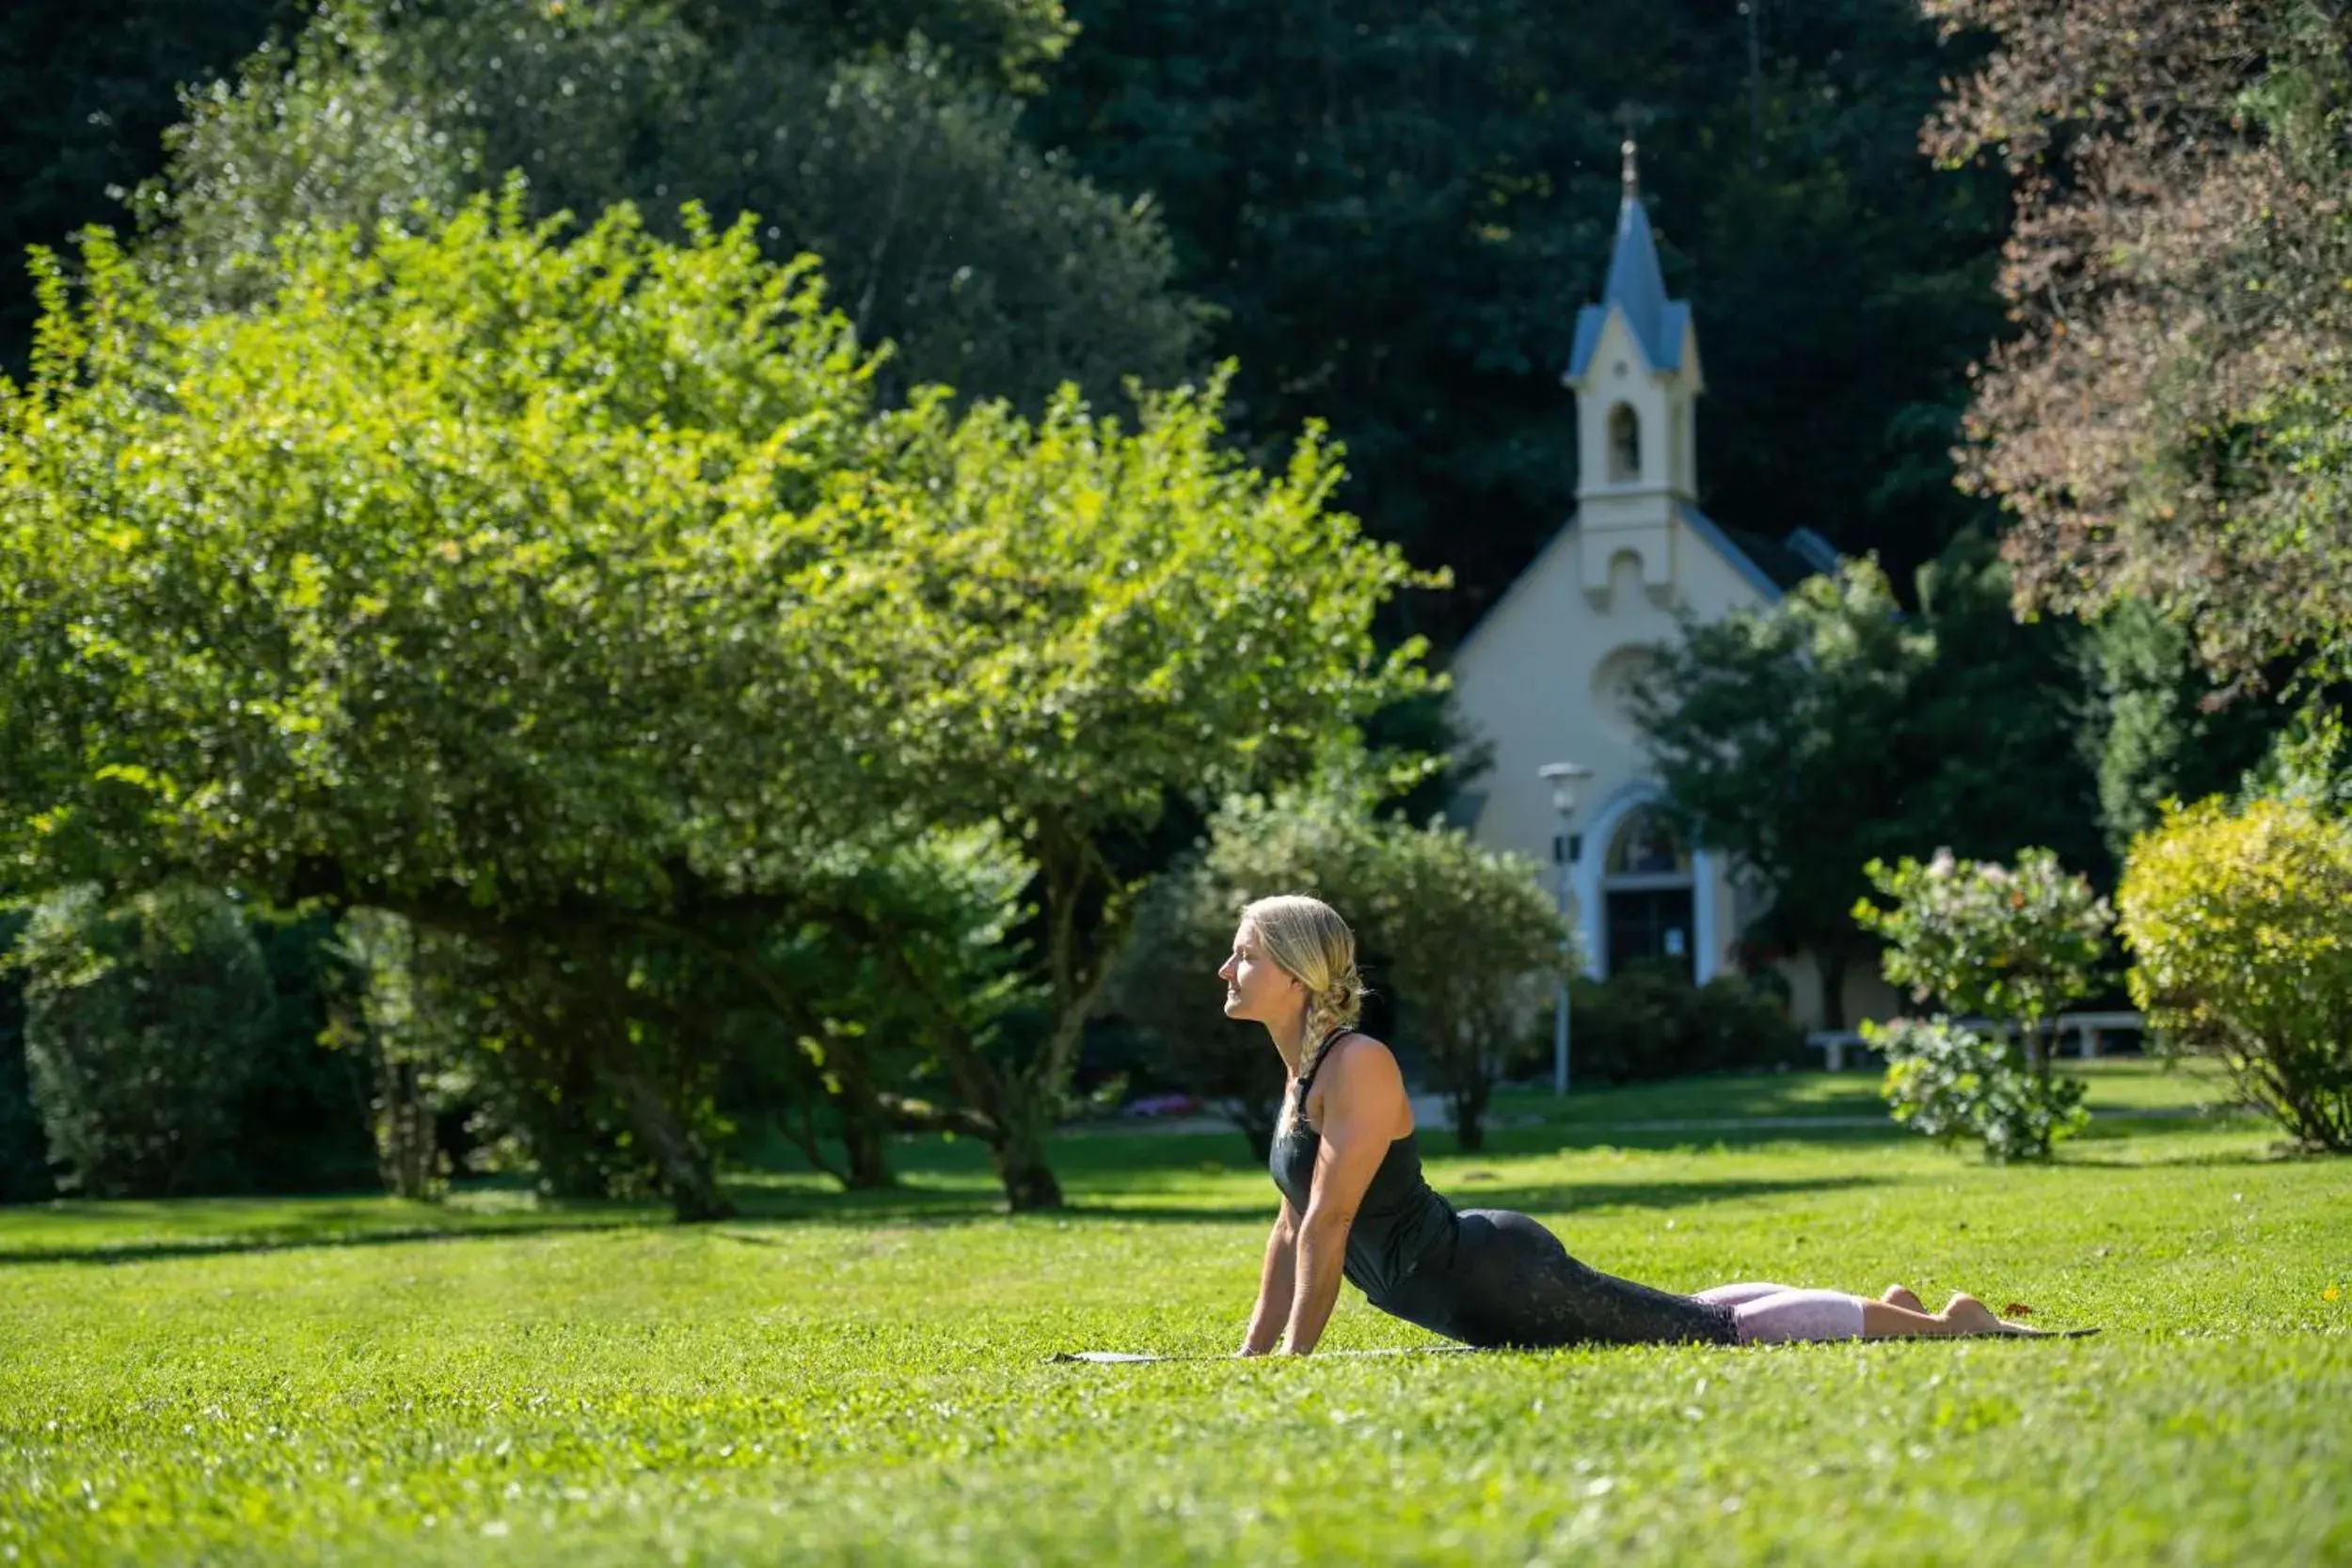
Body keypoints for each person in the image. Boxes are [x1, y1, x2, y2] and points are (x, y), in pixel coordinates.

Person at [1220, 894, 2044, 1356]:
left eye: (1245, 954)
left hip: (1498, 1276)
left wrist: (1294, 1366)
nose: (1228, 969)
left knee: (1710, 1333)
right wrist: (1254, 1357)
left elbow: (1331, 1222)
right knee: (1681, 1309)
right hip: (1472, 1293)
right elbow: (1293, 1226)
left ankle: (1944, 1325)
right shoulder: (1301, 1074)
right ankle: (1886, 1312)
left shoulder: (1357, 1063)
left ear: (1295, 975)